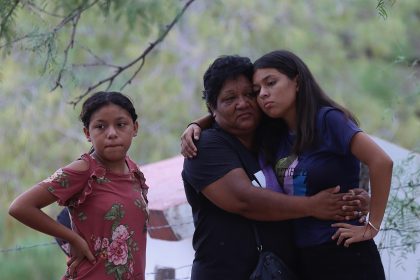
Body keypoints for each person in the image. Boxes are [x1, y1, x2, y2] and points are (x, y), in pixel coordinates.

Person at [183, 50, 392, 279]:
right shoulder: (208, 145)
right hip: (245, 269)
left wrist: (370, 220)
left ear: (297, 81)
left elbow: (379, 161)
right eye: (230, 99)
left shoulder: (309, 124)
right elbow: (244, 200)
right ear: (213, 107)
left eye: (251, 93)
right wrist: (197, 124)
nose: (246, 102)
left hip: (336, 254)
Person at [9, 91, 149, 280]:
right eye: (100, 126)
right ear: (87, 133)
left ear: (135, 128)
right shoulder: (83, 170)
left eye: (121, 124)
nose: (112, 133)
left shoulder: (133, 169)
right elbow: (20, 207)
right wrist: (72, 237)